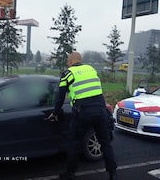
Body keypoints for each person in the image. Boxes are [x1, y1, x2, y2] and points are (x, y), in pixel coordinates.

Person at [47, 52, 117, 180]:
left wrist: (55, 113)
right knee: (105, 142)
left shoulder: (67, 73)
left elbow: (60, 97)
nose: (68, 63)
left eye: (68, 61)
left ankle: (70, 173)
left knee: (74, 142)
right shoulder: (91, 69)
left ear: (70, 61)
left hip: (83, 112)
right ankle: (113, 172)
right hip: (101, 111)